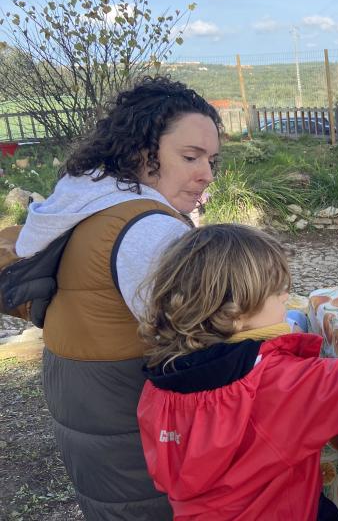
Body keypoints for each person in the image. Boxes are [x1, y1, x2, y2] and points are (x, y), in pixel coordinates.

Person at [136, 223, 338, 520]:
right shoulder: (276, 382)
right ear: (235, 314)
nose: (286, 296)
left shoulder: (159, 385)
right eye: (277, 290)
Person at [15, 77, 223, 520]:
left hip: (90, 409)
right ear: (140, 153)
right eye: (190, 157)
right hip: (131, 422)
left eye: (211, 159)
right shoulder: (149, 227)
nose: (206, 173)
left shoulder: (89, 200)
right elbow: (203, 343)